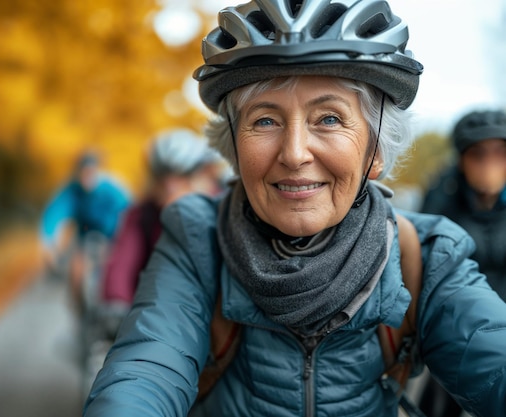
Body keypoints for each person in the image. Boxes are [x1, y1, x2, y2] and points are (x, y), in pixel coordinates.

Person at [83, 1, 506, 416]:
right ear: (234, 148)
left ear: (375, 152)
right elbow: (146, 369)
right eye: (265, 121)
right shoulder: (196, 238)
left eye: (329, 119)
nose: (295, 153)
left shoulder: (428, 255)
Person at [418, 109, 506, 417]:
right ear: (461, 160)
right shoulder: (442, 200)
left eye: (500, 153)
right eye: (478, 154)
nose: (489, 164)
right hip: (458, 324)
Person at [100, 128, 228, 327]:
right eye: (163, 177)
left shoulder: (223, 210)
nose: (171, 186)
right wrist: (116, 300)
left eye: (182, 176)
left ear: (201, 175)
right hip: (154, 313)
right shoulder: (142, 214)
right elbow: (123, 259)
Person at [39, 151, 130, 314]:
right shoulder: (72, 191)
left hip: (112, 237)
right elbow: (54, 214)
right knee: (76, 270)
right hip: (85, 238)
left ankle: (117, 309)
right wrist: (49, 243)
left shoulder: (112, 190)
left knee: (114, 271)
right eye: (83, 172)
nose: (86, 177)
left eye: (91, 172)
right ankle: (81, 315)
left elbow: (129, 212)